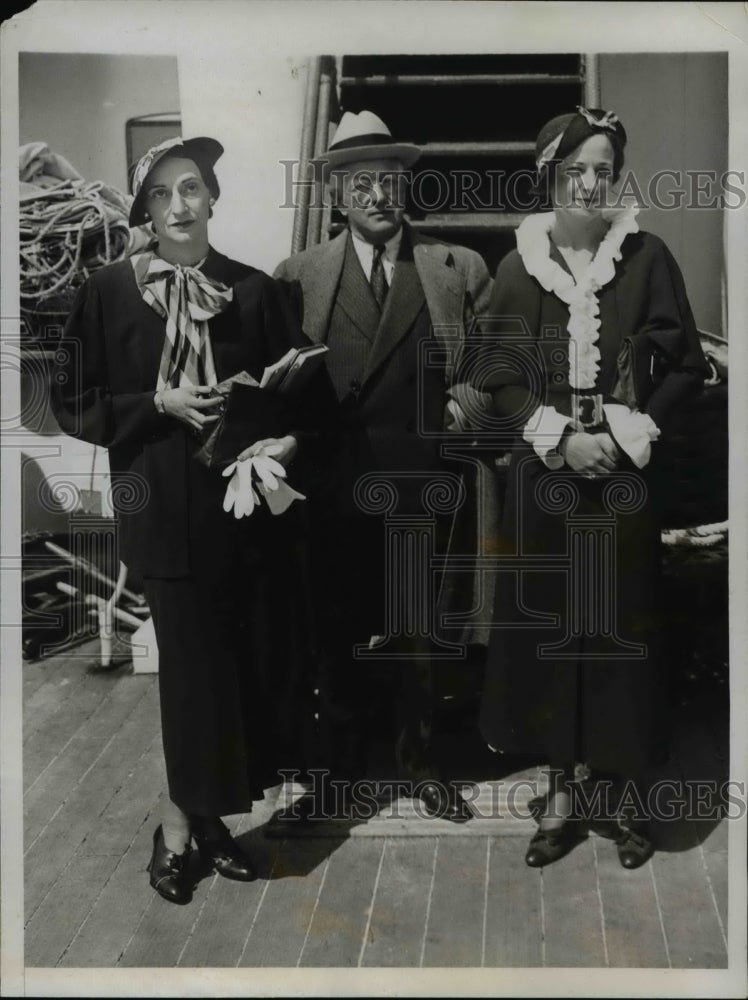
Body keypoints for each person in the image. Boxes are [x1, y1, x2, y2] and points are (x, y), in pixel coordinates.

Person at [51, 136, 329, 903]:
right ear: (145, 208)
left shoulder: (253, 291)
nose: (180, 206)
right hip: (162, 512)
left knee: (237, 673)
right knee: (190, 679)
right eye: (164, 193)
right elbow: (70, 404)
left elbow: (304, 400)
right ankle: (176, 828)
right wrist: (157, 404)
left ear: (213, 198)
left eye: (194, 189)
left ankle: (210, 823)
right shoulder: (108, 293)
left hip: (245, 518)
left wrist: (283, 430)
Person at [474, 108, 708, 867]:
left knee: (622, 634)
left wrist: (624, 434)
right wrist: (560, 438)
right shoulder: (518, 268)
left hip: (622, 481)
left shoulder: (648, 258)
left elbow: (684, 367)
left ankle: (626, 796)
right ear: (551, 174)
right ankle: (563, 795)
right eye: (576, 168)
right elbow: (494, 376)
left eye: (604, 169)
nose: (590, 182)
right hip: (545, 483)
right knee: (552, 637)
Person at [274, 110, 492, 822]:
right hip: (331, 483)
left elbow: (495, 364)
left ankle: (419, 763)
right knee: (332, 629)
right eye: (360, 184)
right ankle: (337, 773)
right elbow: (276, 381)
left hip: (419, 478)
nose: (376, 196)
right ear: (337, 195)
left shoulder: (455, 269)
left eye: (389, 181)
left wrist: (459, 408)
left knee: (419, 632)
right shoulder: (296, 277)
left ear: (406, 187)